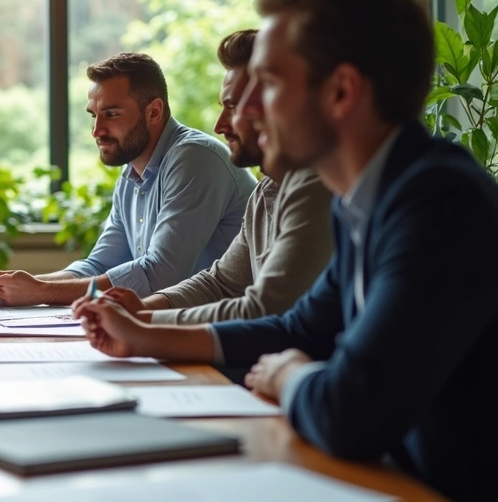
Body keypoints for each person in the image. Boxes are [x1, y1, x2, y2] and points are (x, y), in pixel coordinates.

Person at [73, 0, 498, 502]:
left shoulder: (439, 202)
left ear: (342, 92)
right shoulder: (369, 197)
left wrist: (288, 375)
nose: (244, 111)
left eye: (269, 84)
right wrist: (144, 336)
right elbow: (297, 329)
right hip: (393, 490)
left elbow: (350, 409)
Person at [0, 53, 255, 306]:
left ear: (154, 112)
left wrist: (43, 291)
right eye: (94, 116)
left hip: (228, 339)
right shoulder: (131, 173)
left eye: (111, 114)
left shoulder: (195, 158)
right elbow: (100, 264)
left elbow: (159, 277)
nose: (96, 131)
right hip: (172, 329)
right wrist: (21, 285)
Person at [103, 30, 334, 325]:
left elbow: (266, 309)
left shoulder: (315, 188)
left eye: (235, 108)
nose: (220, 125)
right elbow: (220, 283)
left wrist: (146, 324)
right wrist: (141, 310)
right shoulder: (267, 191)